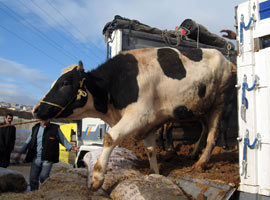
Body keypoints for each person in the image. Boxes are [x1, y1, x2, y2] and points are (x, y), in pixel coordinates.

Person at [15, 120, 79, 191]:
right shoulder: (35, 128)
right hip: (36, 158)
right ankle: (34, 193)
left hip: (48, 157)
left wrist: (71, 147)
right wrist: (20, 153)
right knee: (33, 178)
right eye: (42, 118)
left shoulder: (54, 128)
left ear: (49, 119)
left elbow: (62, 139)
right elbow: (28, 141)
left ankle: (45, 191)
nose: (43, 121)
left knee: (44, 176)